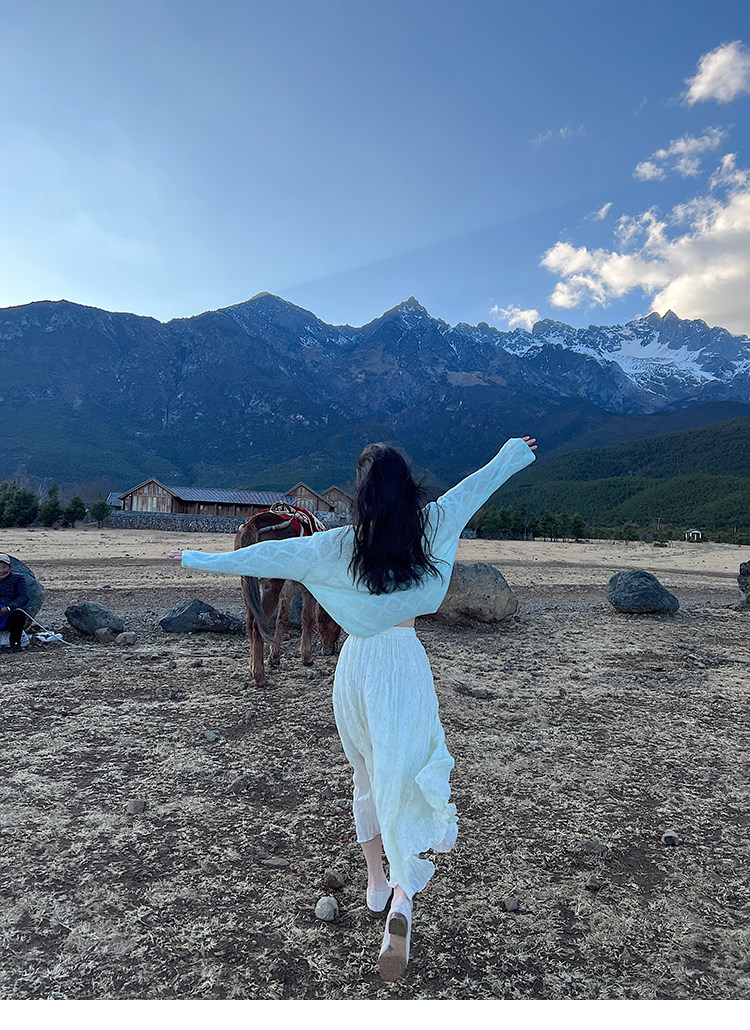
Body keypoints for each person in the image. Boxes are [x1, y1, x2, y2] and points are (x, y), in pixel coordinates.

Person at [175, 436, 537, 980]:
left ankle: (374, 884)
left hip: (356, 666)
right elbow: (474, 488)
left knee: (366, 777)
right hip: (404, 663)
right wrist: (512, 453)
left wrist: (196, 558)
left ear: (362, 494)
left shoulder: (341, 545)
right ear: (407, 488)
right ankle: (402, 897)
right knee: (405, 773)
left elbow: (270, 556)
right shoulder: (431, 526)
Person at [0, 554, 29, 654]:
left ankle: (15, 644)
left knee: (18, 614)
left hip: (10, 612)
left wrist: (8, 608)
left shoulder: (18, 579)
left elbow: (23, 597)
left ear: (9, 567)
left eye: (4, 567)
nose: (1, 571)